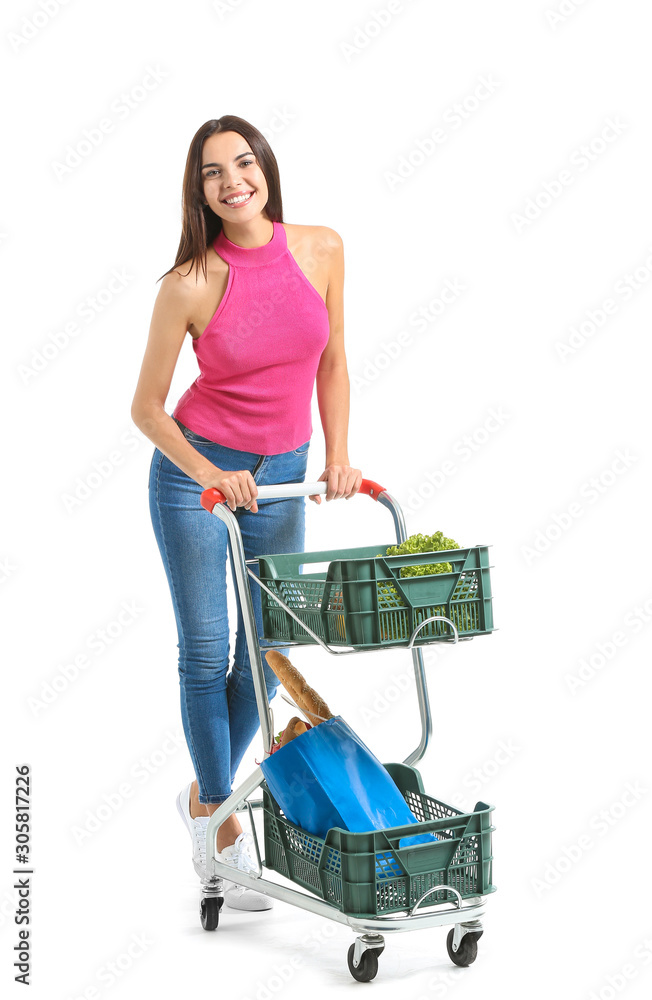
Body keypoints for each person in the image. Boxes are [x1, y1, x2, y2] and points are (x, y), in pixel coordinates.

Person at [131, 116, 362, 910]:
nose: (233, 181)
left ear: (265, 166)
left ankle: (203, 798)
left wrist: (337, 455)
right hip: (194, 476)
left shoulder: (321, 248)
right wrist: (210, 473)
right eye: (212, 173)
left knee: (261, 653)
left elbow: (332, 360)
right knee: (206, 651)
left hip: (288, 472)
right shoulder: (189, 281)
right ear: (198, 192)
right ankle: (219, 821)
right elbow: (148, 410)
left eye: (243, 163)